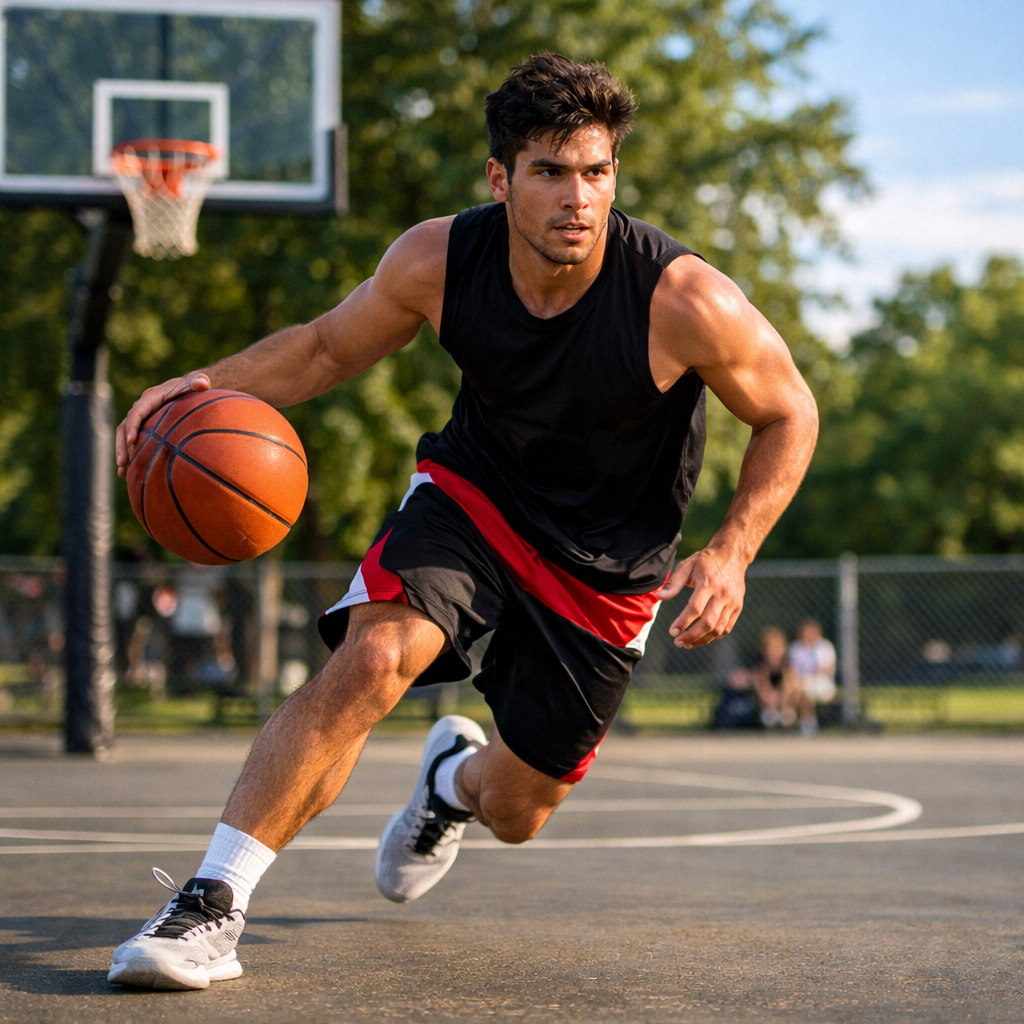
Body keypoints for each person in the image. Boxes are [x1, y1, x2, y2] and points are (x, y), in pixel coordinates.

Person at [107, 54, 819, 991]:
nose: (578, 197)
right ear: (500, 178)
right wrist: (203, 386)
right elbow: (324, 349)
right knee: (371, 659)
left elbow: (790, 412)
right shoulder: (439, 258)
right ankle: (211, 904)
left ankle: (452, 782)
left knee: (521, 809)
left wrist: (732, 549)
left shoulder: (682, 299)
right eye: (551, 172)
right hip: (474, 497)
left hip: (607, 568)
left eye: (597, 172)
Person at [787, 618, 837, 736]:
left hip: (823, 684)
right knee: (794, 687)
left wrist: (807, 677)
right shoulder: (795, 648)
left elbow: (827, 669)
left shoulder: (825, 646)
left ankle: (807, 723)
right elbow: (791, 671)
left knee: (805, 689)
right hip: (799, 682)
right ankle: (785, 718)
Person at [749, 625, 796, 728]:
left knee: (787, 716)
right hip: (768, 703)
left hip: (785, 702)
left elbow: (791, 686)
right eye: (770, 648)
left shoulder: (787, 666)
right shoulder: (761, 666)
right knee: (769, 716)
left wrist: (782, 698)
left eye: (777, 647)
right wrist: (770, 699)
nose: (773, 651)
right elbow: (760, 687)